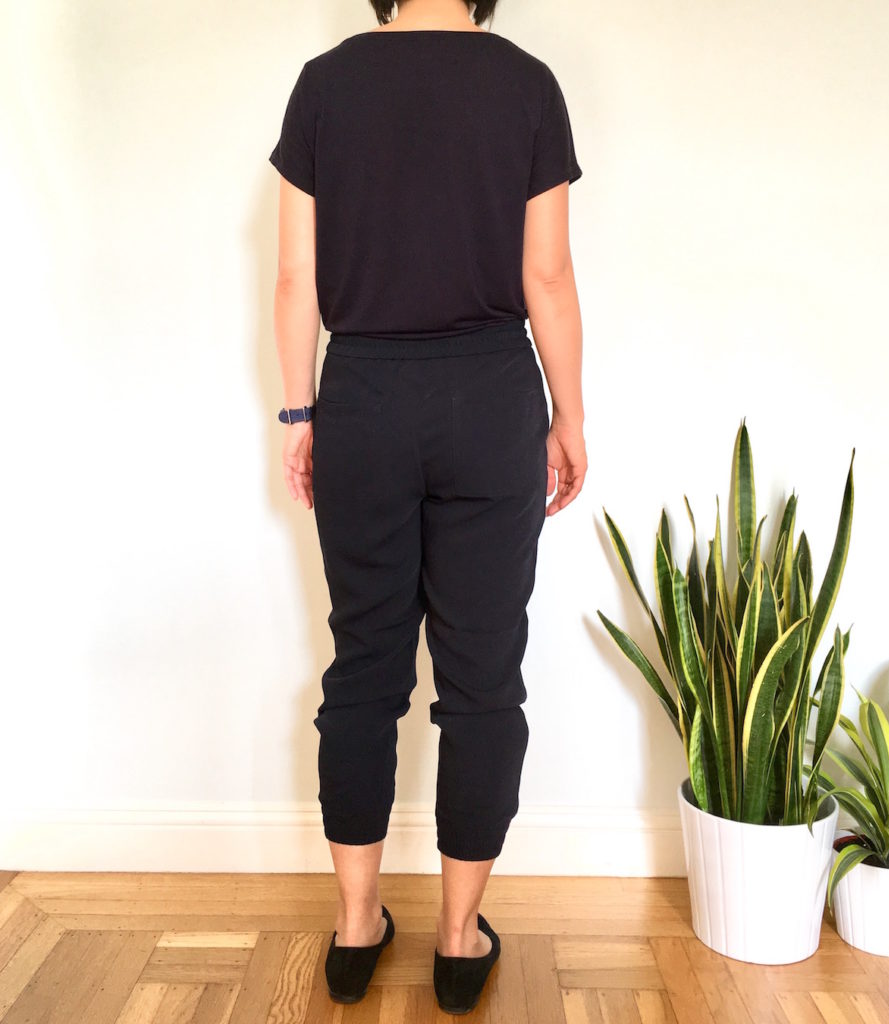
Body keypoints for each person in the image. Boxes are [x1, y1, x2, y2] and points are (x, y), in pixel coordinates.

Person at [269, 0, 585, 1011]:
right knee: (482, 678)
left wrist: (299, 413)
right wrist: (570, 416)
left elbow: (295, 277)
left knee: (364, 665)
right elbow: (546, 275)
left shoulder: (326, 83)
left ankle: (356, 928)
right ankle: (457, 940)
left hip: (362, 394)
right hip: (490, 396)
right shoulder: (526, 83)